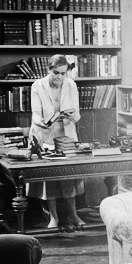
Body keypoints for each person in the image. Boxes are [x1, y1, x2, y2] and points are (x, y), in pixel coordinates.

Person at [26, 54, 85, 229]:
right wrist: (42, 122)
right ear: (49, 70)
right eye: (56, 73)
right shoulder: (37, 86)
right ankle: (54, 217)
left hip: (66, 136)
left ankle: (73, 215)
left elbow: (77, 115)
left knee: (68, 175)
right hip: (44, 135)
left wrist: (72, 115)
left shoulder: (71, 85)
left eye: (63, 73)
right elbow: (35, 114)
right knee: (49, 178)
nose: (59, 77)